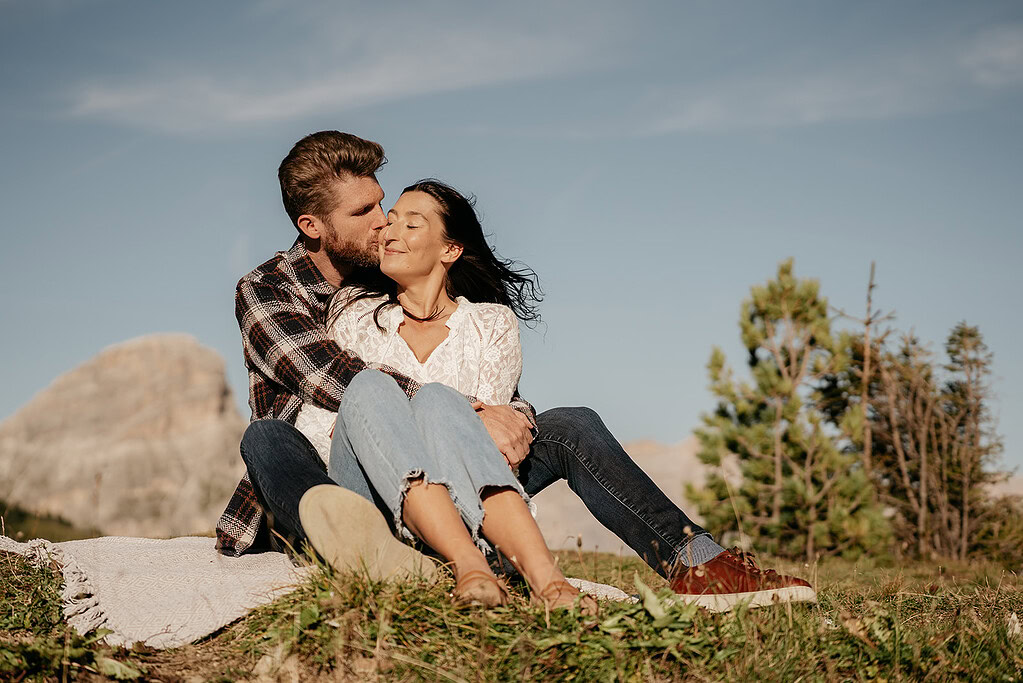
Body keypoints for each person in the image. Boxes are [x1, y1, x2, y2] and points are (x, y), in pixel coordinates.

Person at [216, 130, 817, 613]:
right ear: (312, 226)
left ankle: (696, 561)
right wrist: (469, 408)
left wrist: (512, 416)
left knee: (572, 423)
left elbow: (495, 389)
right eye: (365, 211)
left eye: (386, 205)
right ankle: (344, 546)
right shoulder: (272, 289)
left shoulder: (394, 276)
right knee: (267, 438)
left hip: (451, 463)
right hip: (336, 471)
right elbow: (332, 378)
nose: (383, 221)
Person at [292, 179, 592, 610]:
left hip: (462, 495)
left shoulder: (492, 323)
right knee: (373, 386)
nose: (389, 232)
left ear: (450, 250)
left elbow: (489, 441)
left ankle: (548, 580)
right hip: (370, 494)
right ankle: (470, 565)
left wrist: (448, 408)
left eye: (411, 225)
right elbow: (326, 428)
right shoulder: (352, 314)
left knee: (438, 400)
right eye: (389, 221)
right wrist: (381, 417)